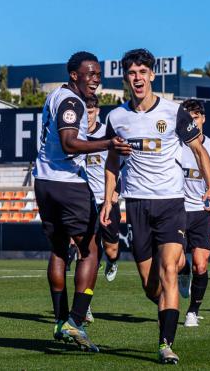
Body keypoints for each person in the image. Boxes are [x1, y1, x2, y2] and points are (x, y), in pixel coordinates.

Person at [100, 49, 210, 364]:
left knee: (167, 273)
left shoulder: (174, 112)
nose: (137, 78)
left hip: (170, 204)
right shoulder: (116, 117)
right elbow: (112, 160)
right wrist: (110, 198)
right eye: (132, 73)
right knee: (151, 288)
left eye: (142, 72)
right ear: (126, 78)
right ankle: (176, 278)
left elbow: (200, 152)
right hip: (136, 205)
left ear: (152, 75)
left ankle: (166, 344)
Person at [33, 51, 130, 351]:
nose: (96, 79)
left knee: (60, 250)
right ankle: (74, 321)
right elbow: (69, 143)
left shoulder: (56, 96)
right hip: (67, 183)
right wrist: (108, 143)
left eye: (99, 74)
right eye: (91, 73)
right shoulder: (72, 101)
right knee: (90, 252)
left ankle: (62, 321)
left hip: (44, 181)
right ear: (74, 75)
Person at [177, 99, 210, 327]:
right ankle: (183, 271)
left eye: (196, 117)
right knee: (179, 262)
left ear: (203, 118)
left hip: (201, 211)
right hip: (176, 209)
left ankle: (192, 312)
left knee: (202, 263)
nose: (193, 122)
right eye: (189, 118)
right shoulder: (175, 144)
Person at [84, 95, 121, 282]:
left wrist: (116, 191)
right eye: (84, 112)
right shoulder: (74, 135)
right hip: (83, 201)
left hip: (106, 199)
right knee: (87, 253)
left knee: (111, 249)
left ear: (97, 111)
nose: (88, 116)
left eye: (90, 112)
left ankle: (113, 260)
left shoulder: (108, 134)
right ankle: (84, 303)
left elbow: (122, 166)